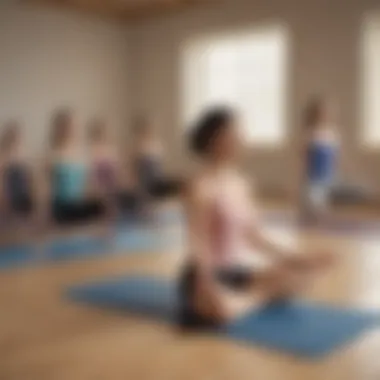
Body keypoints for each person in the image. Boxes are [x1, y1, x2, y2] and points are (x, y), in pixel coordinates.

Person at [179, 107, 334, 329]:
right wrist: (206, 284)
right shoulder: (199, 186)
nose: (243, 138)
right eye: (237, 132)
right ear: (217, 139)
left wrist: (298, 260)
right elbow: (198, 242)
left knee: (301, 279)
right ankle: (242, 300)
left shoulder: (242, 183)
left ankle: (246, 300)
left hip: (235, 273)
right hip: (204, 274)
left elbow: (255, 237)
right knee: (220, 310)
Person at [44, 109, 104, 226]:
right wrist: (44, 214)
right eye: (67, 127)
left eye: (73, 126)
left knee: (100, 206)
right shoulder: (51, 154)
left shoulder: (80, 153)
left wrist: (97, 195)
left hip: (79, 203)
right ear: (59, 129)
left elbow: (88, 184)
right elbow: (46, 188)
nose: (71, 130)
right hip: (62, 206)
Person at [298, 96, 341, 224]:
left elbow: (336, 158)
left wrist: (335, 173)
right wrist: (300, 180)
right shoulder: (309, 134)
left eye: (327, 112)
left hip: (328, 176)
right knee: (313, 208)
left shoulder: (333, 134)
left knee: (323, 210)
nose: (324, 115)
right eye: (321, 112)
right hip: (313, 178)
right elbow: (303, 159)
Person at [87, 118, 138, 217]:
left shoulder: (111, 150)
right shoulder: (91, 151)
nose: (102, 135)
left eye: (103, 132)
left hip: (113, 188)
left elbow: (118, 171)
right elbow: (91, 176)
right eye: (98, 132)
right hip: (99, 190)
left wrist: (126, 184)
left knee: (130, 199)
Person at [131, 115, 182, 201]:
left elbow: (161, 161)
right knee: (146, 194)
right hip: (144, 175)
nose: (146, 131)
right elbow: (135, 164)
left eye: (147, 129)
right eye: (142, 130)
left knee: (157, 194)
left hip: (156, 173)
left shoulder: (156, 143)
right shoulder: (137, 145)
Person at [0, 121, 35, 227]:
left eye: (17, 136)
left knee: (23, 224)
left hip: (24, 197)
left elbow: (30, 180)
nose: (15, 139)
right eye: (13, 136)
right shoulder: (3, 156)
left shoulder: (24, 155)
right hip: (10, 197)